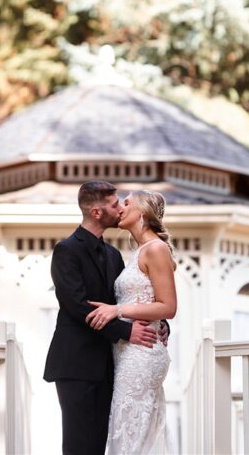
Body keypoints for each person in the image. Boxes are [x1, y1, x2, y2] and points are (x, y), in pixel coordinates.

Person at [43, 181, 162, 455]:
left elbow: (127, 301)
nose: (120, 208)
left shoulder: (113, 254)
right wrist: (125, 331)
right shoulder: (66, 250)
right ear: (96, 212)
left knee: (99, 444)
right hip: (76, 363)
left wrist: (159, 323)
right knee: (78, 445)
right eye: (114, 204)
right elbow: (77, 305)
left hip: (110, 364)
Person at [85, 190, 177, 454]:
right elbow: (149, 299)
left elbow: (168, 306)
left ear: (143, 213)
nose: (120, 208)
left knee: (130, 435)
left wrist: (118, 310)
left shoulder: (156, 248)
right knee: (131, 432)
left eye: (127, 203)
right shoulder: (137, 253)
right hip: (126, 352)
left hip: (143, 354)